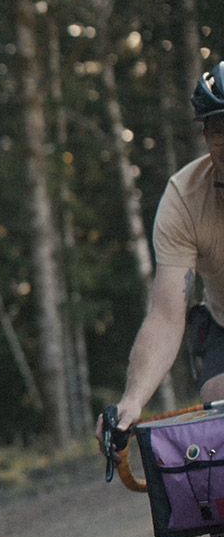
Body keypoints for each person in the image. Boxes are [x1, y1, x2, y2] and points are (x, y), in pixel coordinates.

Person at [98, 61, 224, 443]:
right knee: (218, 404)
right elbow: (168, 315)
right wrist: (132, 401)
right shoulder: (185, 198)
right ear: (204, 135)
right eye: (219, 129)